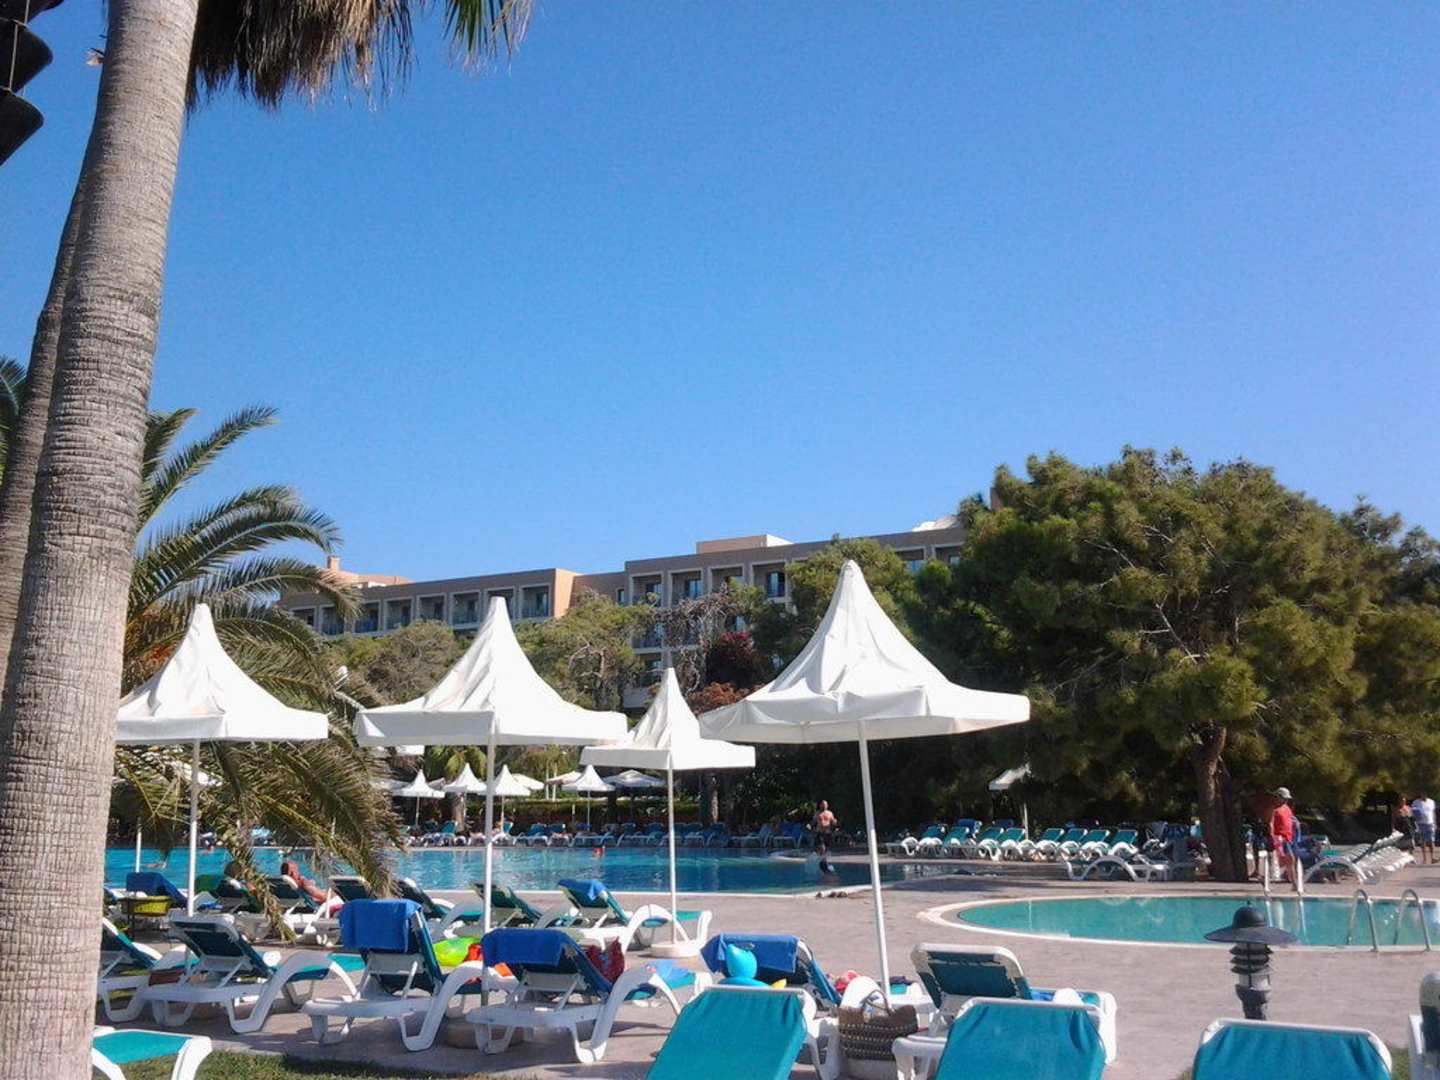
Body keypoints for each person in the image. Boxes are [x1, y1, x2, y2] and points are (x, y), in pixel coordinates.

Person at [1269, 787, 1298, 882]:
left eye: (1286, 799)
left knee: (1290, 860)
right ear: (1278, 797)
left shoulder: (1287, 809)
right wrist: (1272, 837)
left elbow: (1290, 820)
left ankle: (1293, 882)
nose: (1285, 800)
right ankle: (1294, 882)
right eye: (1283, 798)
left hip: (1288, 838)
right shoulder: (1275, 811)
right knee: (1289, 860)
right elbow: (1271, 824)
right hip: (1280, 838)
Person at [1413, 793, 1436, 865]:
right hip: (1421, 824)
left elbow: (1433, 813)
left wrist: (1435, 823)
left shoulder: (1431, 801)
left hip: (1430, 823)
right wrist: (1416, 823)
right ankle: (1424, 859)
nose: (1424, 795)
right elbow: (1413, 813)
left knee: (1431, 841)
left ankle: (1432, 858)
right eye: (1422, 793)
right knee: (1423, 841)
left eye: (1425, 793)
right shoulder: (1416, 802)